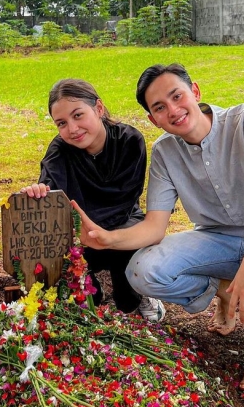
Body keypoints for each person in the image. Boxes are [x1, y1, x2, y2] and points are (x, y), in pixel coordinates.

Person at [73, 63, 244, 394]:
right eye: (160, 107)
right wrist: (107, 239)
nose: (173, 110)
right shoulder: (164, 152)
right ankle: (225, 291)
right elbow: (154, 228)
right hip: (215, 238)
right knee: (142, 271)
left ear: (195, 92)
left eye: (177, 96)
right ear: (153, 120)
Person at [19, 78, 166, 322]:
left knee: (128, 261)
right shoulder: (60, 150)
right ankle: (90, 295)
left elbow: (126, 198)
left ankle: (137, 296)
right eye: (62, 123)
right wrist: (38, 193)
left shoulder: (129, 141)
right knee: (58, 257)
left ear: (98, 108)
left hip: (122, 221)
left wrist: (100, 234)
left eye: (78, 115)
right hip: (81, 230)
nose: (72, 128)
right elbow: (51, 191)